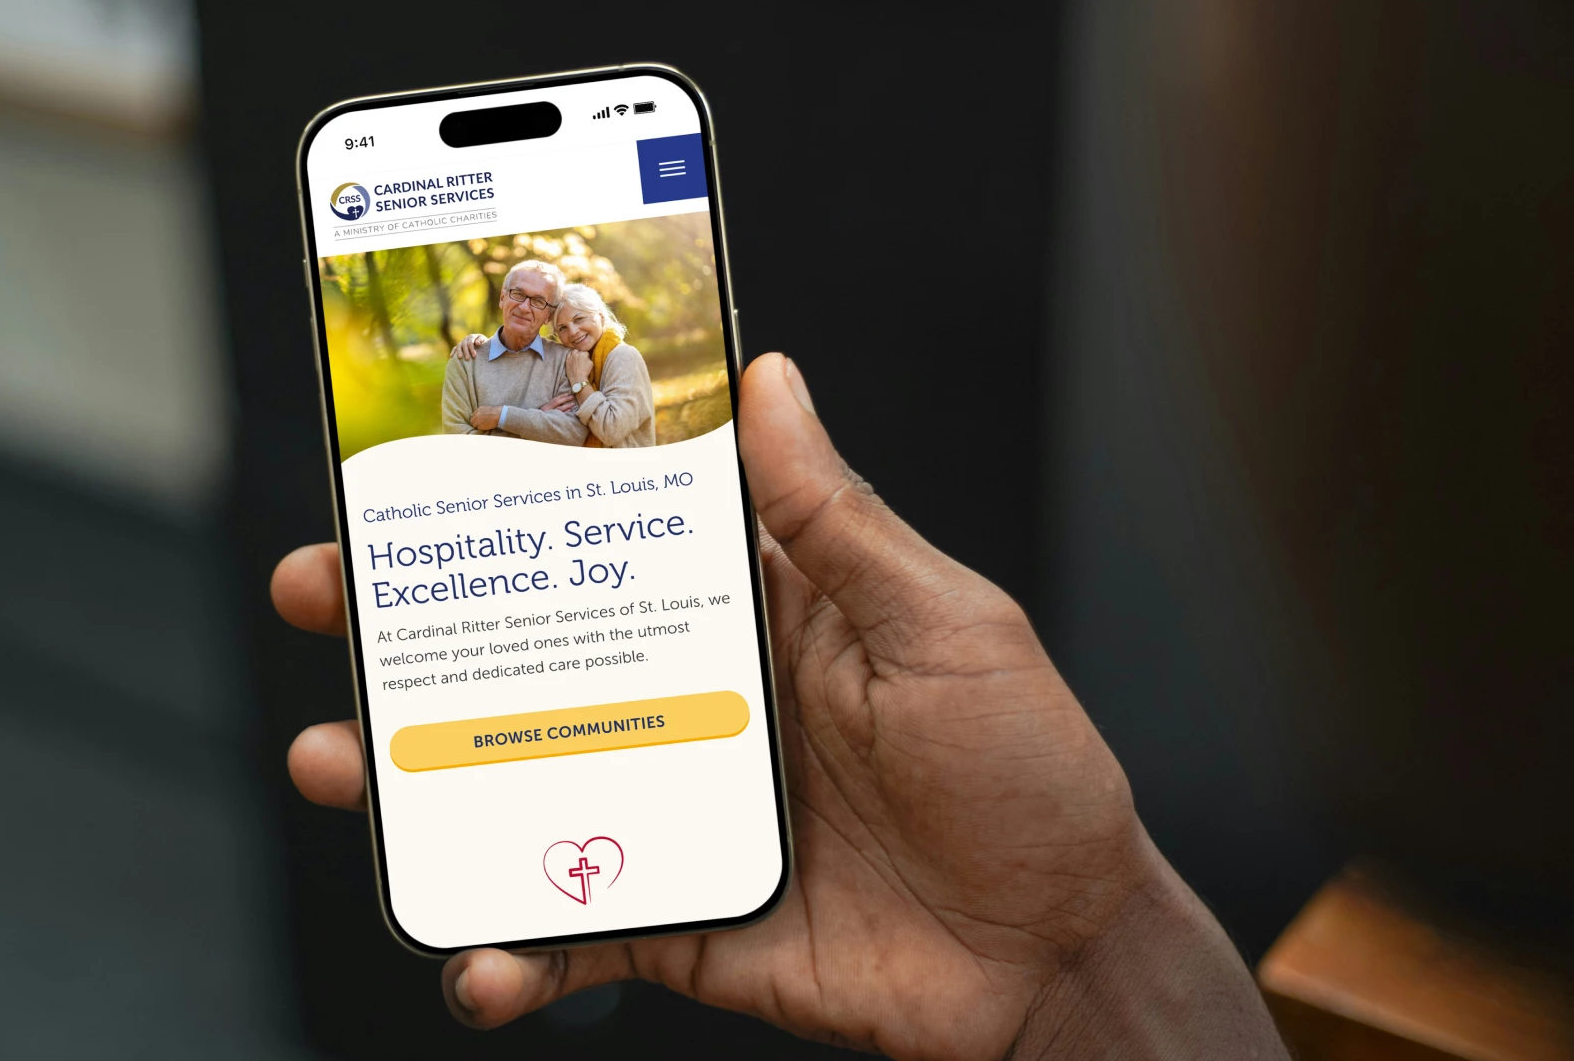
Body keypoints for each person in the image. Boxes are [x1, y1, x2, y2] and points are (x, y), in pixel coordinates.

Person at [274, 354, 1290, 1059]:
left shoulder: (613, 371)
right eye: (528, 305)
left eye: (559, 306)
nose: (548, 320)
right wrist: (1081, 966)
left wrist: (1084, 951)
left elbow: (606, 426)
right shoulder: (471, 368)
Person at [453, 283, 656, 448]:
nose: (574, 332)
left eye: (579, 319)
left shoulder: (622, 357)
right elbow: (560, 426)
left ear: (600, 315)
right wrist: (481, 344)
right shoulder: (572, 360)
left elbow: (611, 431)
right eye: (563, 328)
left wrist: (580, 383)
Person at [440, 259, 586, 445]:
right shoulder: (466, 360)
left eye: (538, 301)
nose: (524, 307)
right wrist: (538, 420)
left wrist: (503, 416)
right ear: (502, 298)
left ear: (548, 316)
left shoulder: (566, 360)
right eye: (518, 294)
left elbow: (573, 435)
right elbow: (457, 443)